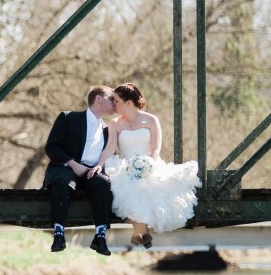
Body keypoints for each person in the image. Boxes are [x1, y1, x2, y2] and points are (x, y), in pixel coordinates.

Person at [99, 82, 201, 248]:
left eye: (116, 101)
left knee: (146, 185)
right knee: (129, 186)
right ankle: (143, 233)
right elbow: (109, 149)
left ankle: (140, 232)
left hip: (150, 163)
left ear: (128, 103)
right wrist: (99, 165)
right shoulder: (115, 123)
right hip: (125, 166)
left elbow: (155, 148)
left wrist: (147, 165)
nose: (113, 104)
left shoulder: (151, 120)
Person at [42, 85, 116, 256]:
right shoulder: (68, 117)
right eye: (112, 99)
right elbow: (52, 147)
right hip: (66, 167)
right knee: (63, 182)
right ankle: (59, 234)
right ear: (99, 99)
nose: (115, 103)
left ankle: (100, 237)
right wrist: (72, 163)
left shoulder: (107, 129)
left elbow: (109, 154)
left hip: (91, 172)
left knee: (104, 184)